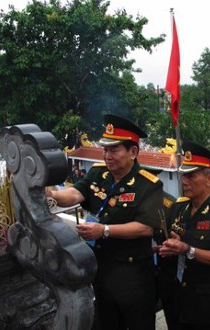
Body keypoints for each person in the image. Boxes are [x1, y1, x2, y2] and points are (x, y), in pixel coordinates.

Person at [47, 114, 163, 330]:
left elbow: (146, 228)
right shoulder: (98, 173)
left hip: (134, 276)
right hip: (102, 270)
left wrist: (105, 230)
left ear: (133, 152)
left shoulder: (149, 184)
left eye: (114, 150)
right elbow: (74, 194)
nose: (107, 155)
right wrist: (49, 194)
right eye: (105, 149)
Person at [159, 141, 210, 330]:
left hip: (206, 306)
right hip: (178, 299)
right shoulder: (179, 207)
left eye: (191, 175)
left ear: (209, 179)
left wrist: (187, 249)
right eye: (183, 175)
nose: (184, 181)